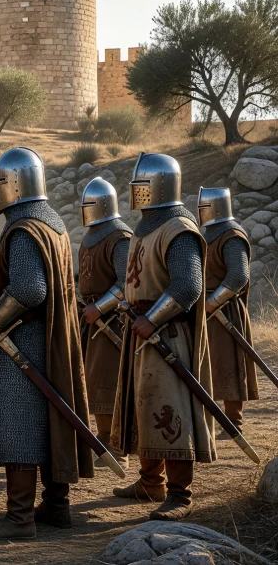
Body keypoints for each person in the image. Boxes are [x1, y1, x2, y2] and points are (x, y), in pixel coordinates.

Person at [0, 147, 91, 540]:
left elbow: (29, 288)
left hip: (24, 341)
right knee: (50, 419)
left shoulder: (23, 228)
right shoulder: (53, 223)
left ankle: (19, 518)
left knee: (18, 422)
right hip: (55, 340)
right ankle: (56, 506)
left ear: (13, 185)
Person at [111, 154, 215, 521]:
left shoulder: (179, 229)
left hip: (168, 335)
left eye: (143, 186)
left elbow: (188, 285)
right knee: (144, 405)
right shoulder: (144, 229)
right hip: (143, 332)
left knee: (170, 409)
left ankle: (180, 495)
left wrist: (152, 319)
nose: (137, 193)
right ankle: (149, 481)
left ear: (159, 187)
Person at [77, 178, 132, 465]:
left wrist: (100, 307)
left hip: (113, 321)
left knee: (111, 379)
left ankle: (117, 445)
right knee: (94, 378)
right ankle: (102, 436)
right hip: (91, 319)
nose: (86, 209)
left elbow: (126, 282)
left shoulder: (120, 237)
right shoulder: (90, 236)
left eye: (90, 204)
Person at [198, 187, 258, 437]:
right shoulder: (209, 235)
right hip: (207, 310)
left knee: (230, 364)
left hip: (226, 310)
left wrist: (213, 302)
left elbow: (238, 276)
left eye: (204, 207)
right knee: (208, 363)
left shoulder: (231, 236)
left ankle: (234, 420)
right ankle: (213, 418)